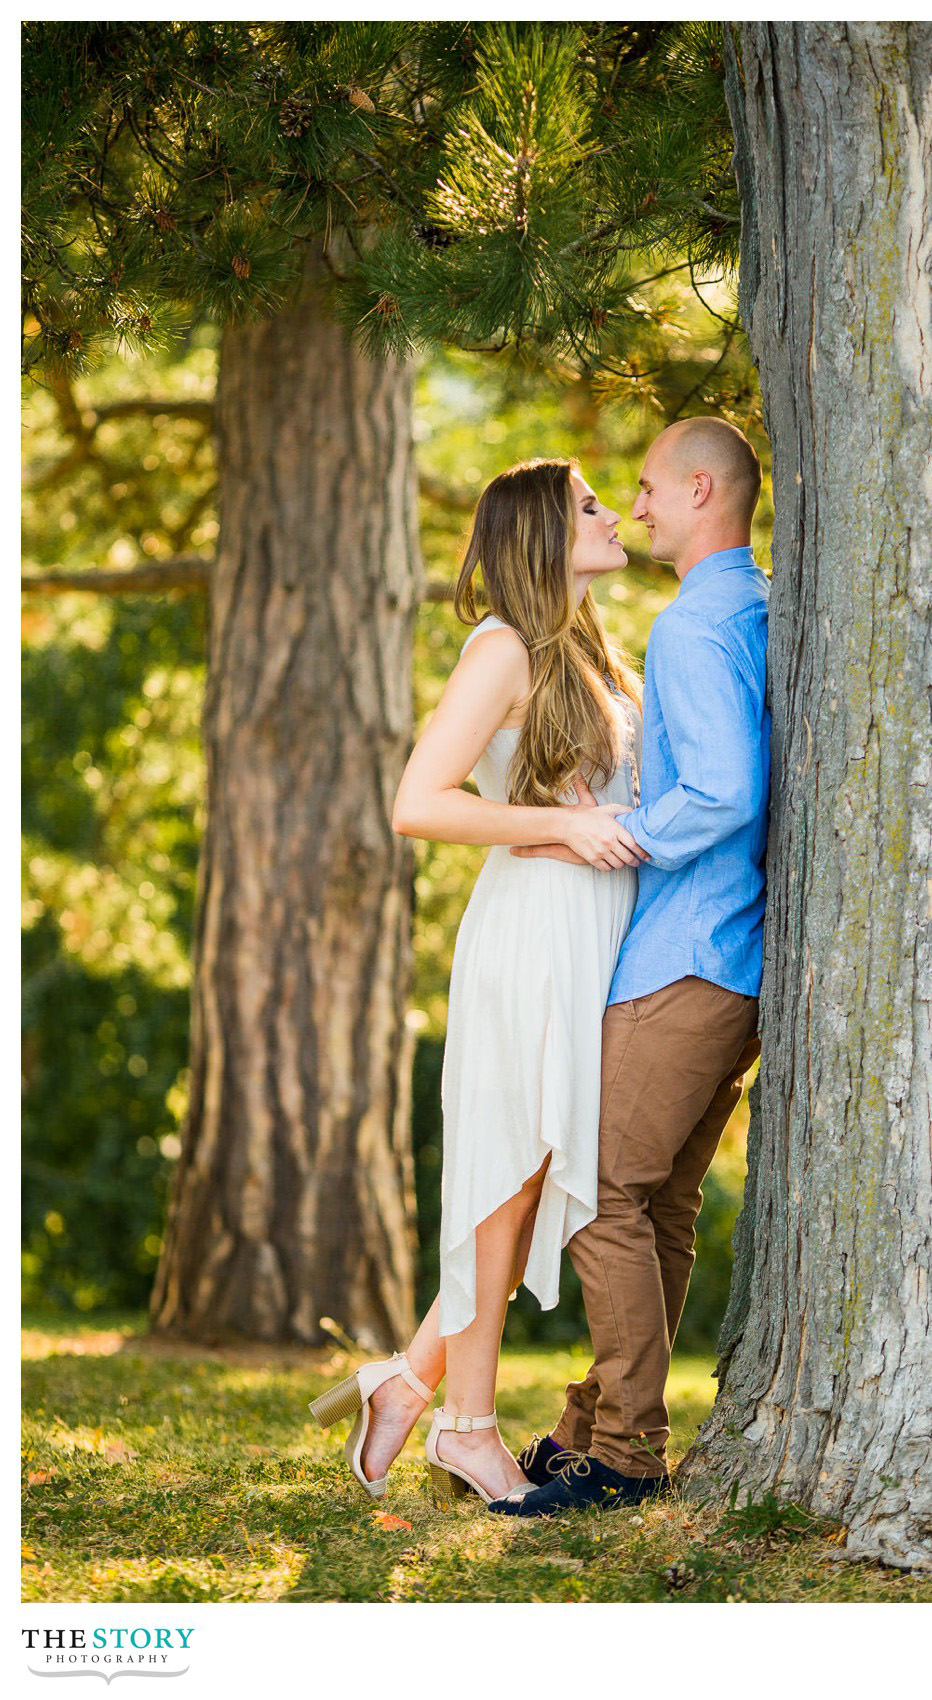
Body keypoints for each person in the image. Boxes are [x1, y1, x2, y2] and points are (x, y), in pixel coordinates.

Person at [308, 458, 645, 1506]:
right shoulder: (502, 644)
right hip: (533, 932)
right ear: (544, 533)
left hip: (589, 930)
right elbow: (418, 800)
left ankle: (407, 1379)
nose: (607, 513)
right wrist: (561, 822)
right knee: (510, 1167)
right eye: (586, 503)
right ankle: (468, 1426)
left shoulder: (583, 644)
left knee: (534, 1167)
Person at [488, 415, 770, 1517]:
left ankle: (627, 1454)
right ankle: (588, 1428)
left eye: (649, 488)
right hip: (730, 956)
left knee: (603, 1192)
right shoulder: (756, 602)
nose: (638, 506)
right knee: (657, 1204)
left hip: (686, 953)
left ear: (702, 490)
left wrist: (622, 831)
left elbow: (727, 794)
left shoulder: (696, 627)